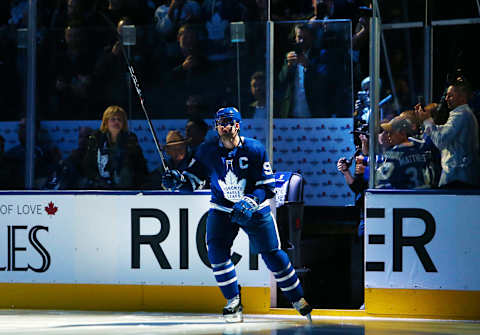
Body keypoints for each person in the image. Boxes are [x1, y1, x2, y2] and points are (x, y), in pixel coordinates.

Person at [162, 107, 312, 322]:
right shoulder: (207, 150)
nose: (224, 127)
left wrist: (251, 201)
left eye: (228, 123)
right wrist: (177, 181)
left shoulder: (254, 149)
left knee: (272, 254)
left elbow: (267, 187)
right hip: (222, 208)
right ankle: (233, 300)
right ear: (216, 126)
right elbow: (192, 181)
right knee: (216, 251)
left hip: (255, 209)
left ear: (237, 125)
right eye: (220, 123)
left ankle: (297, 298)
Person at [416, 80, 480, 188]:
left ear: (462, 97)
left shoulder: (461, 114)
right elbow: (441, 131)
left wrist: (427, 120)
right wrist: (425, 120)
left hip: (458, 179)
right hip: (459, 177)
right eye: (446, 95)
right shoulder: (462, 114)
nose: (446, 99)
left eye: (450, 96)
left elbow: (441, 140)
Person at [83, 105, 148, 189]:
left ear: (123, 123)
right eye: (113, 119)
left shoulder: (130, 139)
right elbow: (87, 166)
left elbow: (140, 166)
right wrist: (98, 180)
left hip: (126, 188)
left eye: (119, 119)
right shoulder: (96, 138)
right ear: (106, 122)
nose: (116, 122)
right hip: (100, 187)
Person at [277, 23, 330, 118]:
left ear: (312, 38)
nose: (301, 41)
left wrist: (308, 66)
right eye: (299, 37)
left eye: (305, 38)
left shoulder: (321, 55)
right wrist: (288, 66)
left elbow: (325, 81)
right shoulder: (290, 56)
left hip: (313, 112)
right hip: (292, 113)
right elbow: (281, 80)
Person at [375, 116, 436, 189]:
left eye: (391, 133)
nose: (388, 135)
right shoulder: (421, 148)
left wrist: (366, 171)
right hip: (428, 194)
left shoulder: (395, 153)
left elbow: (381, 177)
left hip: (406, 196)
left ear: (402, 133)